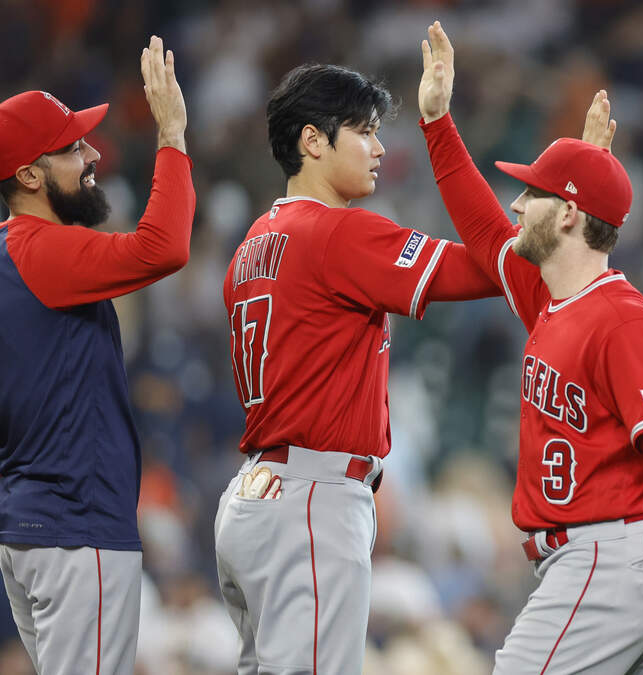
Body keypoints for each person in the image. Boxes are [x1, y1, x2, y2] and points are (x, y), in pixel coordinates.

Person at [417, 22, 643, 673]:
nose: (517, 204)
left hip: (607, 557)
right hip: (604, 562)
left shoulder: (623, 320)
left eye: (533, 194)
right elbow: (482, 227)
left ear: (570, 215)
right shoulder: (547, 296)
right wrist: (438, 123)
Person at [212, 63, 499, 673]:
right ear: (313, 141)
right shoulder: (337, 233)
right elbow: (495, 265)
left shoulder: (251, 244)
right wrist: (441, 130)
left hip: (253, 495)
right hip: (312, 499)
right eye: (364, 132)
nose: (378, 148)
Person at [0, 36, 193, 674]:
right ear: (29, 176)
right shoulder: (43, 249)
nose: (92, 155)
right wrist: (172, 135)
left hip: (26, 529)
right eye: (72, 148)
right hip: (76, 525)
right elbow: (164, 247)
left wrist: (21, 511)